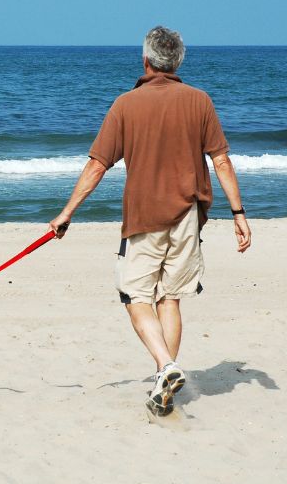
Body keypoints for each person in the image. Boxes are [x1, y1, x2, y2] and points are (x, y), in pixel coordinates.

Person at [48, 26, 251, 416]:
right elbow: (221, 160)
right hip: (188, 215)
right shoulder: (200, 101)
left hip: (143, 217)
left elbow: (98, 164)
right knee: (170, 298)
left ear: (145, 60)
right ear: (177, 62)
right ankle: (166, 379)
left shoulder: (126, 104)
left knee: (136, 297)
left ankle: (166, 367)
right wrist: (239, 214)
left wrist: (67, 212)